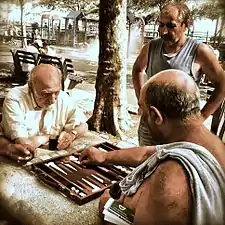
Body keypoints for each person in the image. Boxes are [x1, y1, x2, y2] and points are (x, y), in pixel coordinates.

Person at [79, 69, 225, 225]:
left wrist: (108, 207)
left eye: (143, 109)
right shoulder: (209, 143)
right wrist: (103, 156)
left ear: (156, 116)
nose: (141, 115)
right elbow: (148, 154)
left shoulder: (170, 180)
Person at [132, 3, 225, 146]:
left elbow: (222, 85)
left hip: (179, 133)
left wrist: (201, 118)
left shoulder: (199, 51)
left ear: (185, 25)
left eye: (171, 26)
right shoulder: (151, 47)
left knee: (170, 167)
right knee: (146, 165)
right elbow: (137, 69)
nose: (163, 31)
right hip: (149, 127)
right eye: (161, 25)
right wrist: (141, 100)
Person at [0, 64, 88, 161]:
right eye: (46, 94)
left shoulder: (63, 97)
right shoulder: (15, 98)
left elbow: (83, 125)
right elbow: (24, 145)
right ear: (30, 87)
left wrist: (71, 135)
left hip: (50, 159)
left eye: (56, 92)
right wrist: (49, 137)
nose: (53, 100)